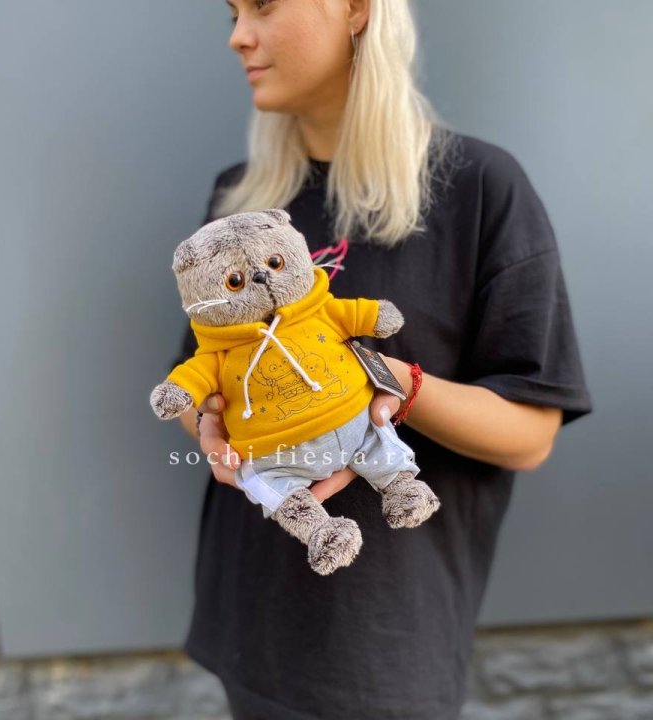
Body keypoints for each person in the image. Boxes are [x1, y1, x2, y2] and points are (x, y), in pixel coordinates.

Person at [167, 1, 593, 718]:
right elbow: (200, 387)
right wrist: (211, 430)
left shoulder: (479, 189)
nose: (238, 35)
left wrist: (390, 380)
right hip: (251, 614)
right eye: (232, 11)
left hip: (384, 642)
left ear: (357, 9)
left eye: (263, 5)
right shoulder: (240, 199)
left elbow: (530, 434)